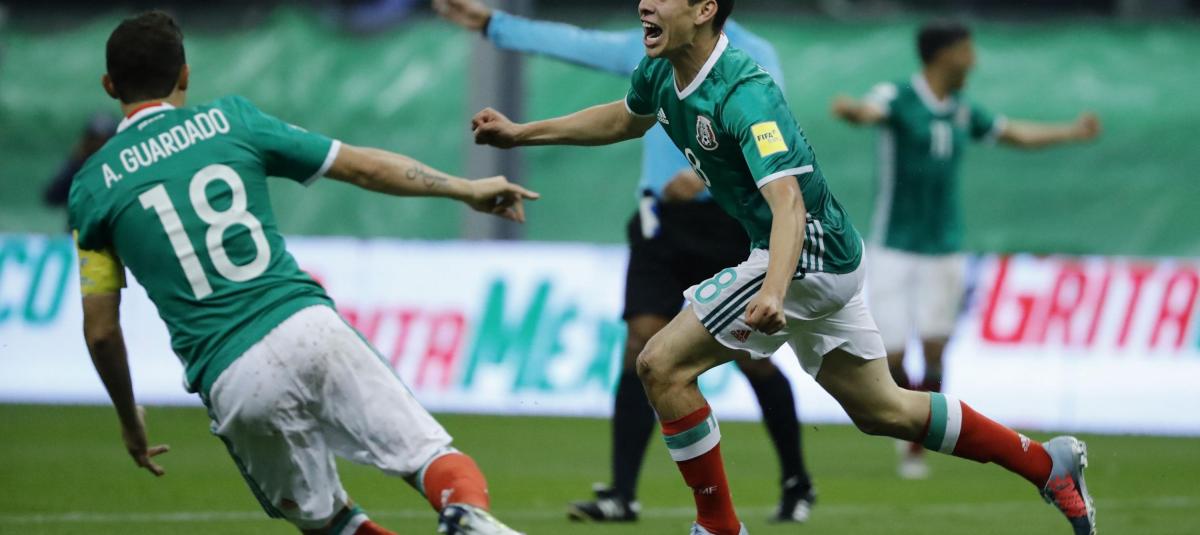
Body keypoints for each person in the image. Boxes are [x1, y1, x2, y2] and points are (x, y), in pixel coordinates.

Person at [470, 1, 1096, 534]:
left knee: (661, 364)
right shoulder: (661, 71)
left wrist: (772, 289)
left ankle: (718, 527)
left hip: (805, 257)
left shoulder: (746, 91)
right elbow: (622, 118)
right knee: (885, 410)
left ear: (705, 10)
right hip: (823, 257)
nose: (645, 4)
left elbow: (788, 202)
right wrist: (522, 134)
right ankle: (1046, 465)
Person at [70, 11, 537, 535]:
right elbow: (361, 166)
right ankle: (466, 513)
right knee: (428, 458)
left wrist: (130, 419)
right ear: (185, 74)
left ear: (109, 85)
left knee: (330, 522)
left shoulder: (92, 188)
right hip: (305, 325)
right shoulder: (231, 121)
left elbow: (101, 331)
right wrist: (466, 189)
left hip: (231, 374)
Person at [433, 0, 815, 523]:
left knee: (754, 359)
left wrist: (703, 175)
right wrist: (493, 24)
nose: (648, 5)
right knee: (641, 345)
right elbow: (580, 46)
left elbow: (772, 147)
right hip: (660, 223)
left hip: (727, 223)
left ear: (705, 9)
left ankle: (796, 480)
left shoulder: (754, 59)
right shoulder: (655, 55)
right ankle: (622, 494)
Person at [831, 21, 1101, 480]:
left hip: (945, 248)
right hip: (894, 246)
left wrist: (1071, 132)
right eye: (967, 50)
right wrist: (854, 111)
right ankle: (909, 426)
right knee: (892, 356)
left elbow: (1014, 134)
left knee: (935, 347)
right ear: (944, 54)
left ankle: (917, 444)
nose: (974, 60)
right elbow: (870, 111)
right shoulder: (899, 96)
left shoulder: (961, 110)